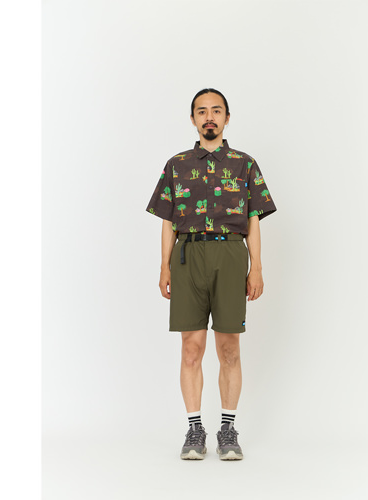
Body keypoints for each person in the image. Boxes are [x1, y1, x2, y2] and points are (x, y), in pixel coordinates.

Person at [145, 88, 277, 460]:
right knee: (191, 347)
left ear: (226, 118)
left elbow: (253, 219)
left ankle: (228, 429)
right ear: (193, 119)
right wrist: (164, 265)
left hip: (231, 254)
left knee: (229, 347)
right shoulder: (177, 165)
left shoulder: (244, 164)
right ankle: (194, 430)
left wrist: (256, 267)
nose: (209, 117)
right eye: (202, 111)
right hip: (188, 255)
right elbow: (168, 220)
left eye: (216, 110)